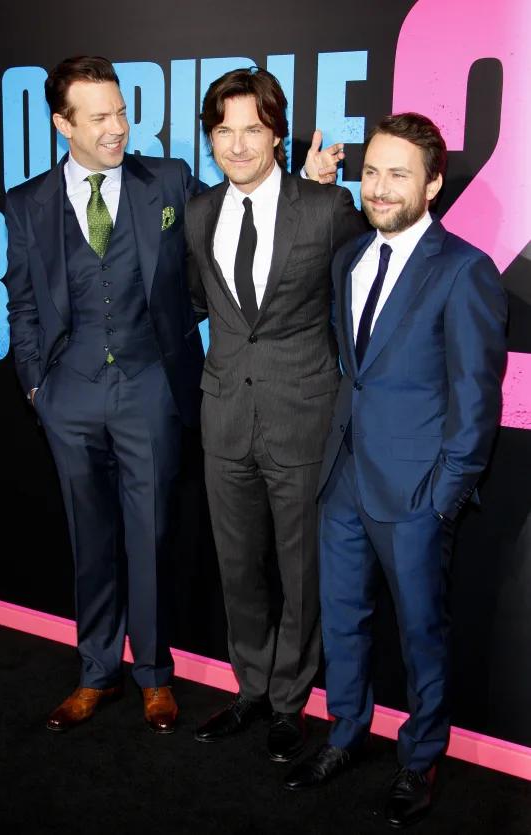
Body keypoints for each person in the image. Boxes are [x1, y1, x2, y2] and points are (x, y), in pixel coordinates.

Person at [3, 56, 342, 735]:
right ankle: (96, 669)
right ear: (61, 123)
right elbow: (23, 304)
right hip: (68, 398)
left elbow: (258, 236)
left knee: (153, 540)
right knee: (90, 541)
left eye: (122, 111)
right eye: (99, 117)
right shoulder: (26, 202)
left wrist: (310, 186)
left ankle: (156, 676)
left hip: (152, 393)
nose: (118, 128)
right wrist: (39, 383)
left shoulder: (169, 182)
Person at [284, 113, 508, 827]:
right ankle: (346, 729)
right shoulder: (350, 257)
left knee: (421, 633)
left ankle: (420, 756)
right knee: (342, 620)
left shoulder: (465, 270)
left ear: (434, 183)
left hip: (415, 493)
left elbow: (476, 401)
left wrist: (443, 497)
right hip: (343, 475)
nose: (379, 188)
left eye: (398, 174)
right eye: (372, 171)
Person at [186, 67, 365, 763]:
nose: (236, 145)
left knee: (300, 570)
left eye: (252, 130)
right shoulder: (199, 214)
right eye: (223, 131)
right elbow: (198, 303)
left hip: (302, 417)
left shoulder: (324, 208)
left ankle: (289, 700)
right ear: (210, 137)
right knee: (238, 567)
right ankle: (250, 689)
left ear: (277, 134)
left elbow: (361, 299)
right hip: (224, 416)